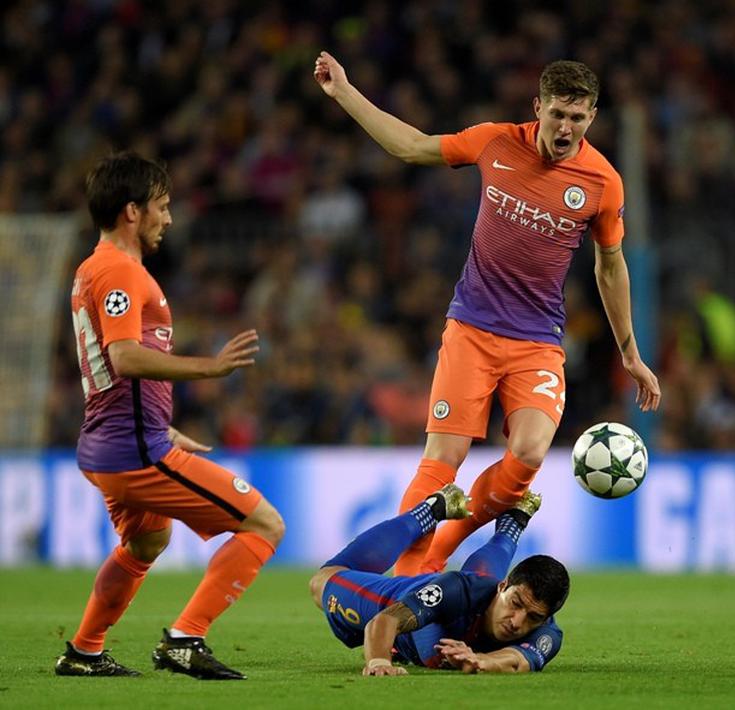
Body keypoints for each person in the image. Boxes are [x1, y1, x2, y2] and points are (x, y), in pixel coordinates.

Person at [313, 52, 661, 576]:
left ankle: (440, 546)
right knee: (442, 461)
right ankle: (403, 588)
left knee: (529, 452)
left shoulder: (602, 183)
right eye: (558, 114)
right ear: (537, 107)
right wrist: (343, 92)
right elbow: (411, 147)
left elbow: (610, 268)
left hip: (538, 342)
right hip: (471, 331)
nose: (566, 127)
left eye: (579, 117)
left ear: (592, 118)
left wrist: (630, 353)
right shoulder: (495, 141)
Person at [55, 152, 285, 680]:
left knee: (147, 541)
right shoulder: (117, 270)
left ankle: (85, 651)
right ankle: (186, 639)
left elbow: (109, 371)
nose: (169, 218)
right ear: (132, 212)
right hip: (133, 452)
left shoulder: (99, 269)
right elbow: (125, 358)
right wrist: (211, 368)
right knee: (265, 524)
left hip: (114, 440)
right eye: (162, 206)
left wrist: (159, 421)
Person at [308, 484, 567, 675]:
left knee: (480, 579)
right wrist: (378, 662)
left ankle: (513, 522)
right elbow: (385, 620)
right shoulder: (456, 589)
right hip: (402, 598)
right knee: (321, 581)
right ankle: (428, 511)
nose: (517, 622)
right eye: (516, 603)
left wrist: (480, 660)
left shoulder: (548, 634)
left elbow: (517, 660)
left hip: (470, 599)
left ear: (545, 618)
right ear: (504, 587)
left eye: (533, 617)